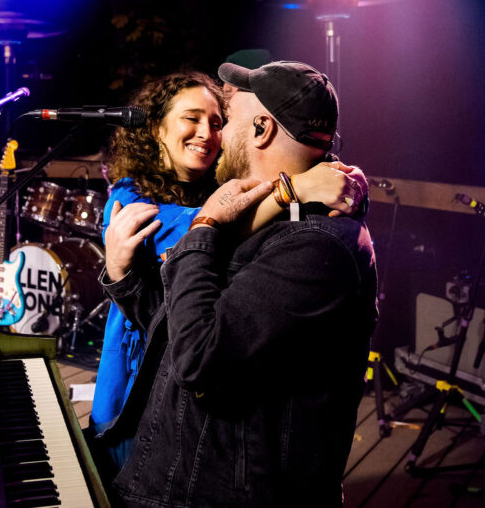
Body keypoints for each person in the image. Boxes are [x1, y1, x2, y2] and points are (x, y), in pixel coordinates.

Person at [103, 60, 378, 506]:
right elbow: (179, 325)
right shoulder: (272, 220)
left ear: (261, 129)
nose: (216, 135)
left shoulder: (316, 244)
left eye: (226, 120)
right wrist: (123, 277)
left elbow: (198, 360)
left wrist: (207, 225)